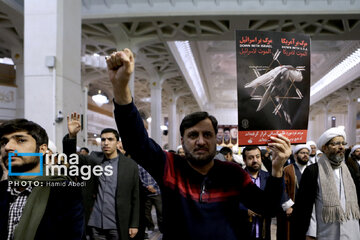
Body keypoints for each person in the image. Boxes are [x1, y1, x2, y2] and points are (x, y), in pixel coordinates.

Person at [105, 49, 292, 240]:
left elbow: (267, 208)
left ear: (215, 139)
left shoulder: (232, 174)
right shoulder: (170, 166)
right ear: (182, 141)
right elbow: (136, 142)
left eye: (207, 135)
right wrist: (121, 87)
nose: (201, 141)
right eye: (193, 135)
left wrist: (277, 170)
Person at [0, 119, 84, 240]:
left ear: (42, 149)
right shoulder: (2, 189)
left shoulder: (64, 192)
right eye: (3, 142)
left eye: (21, 140)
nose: (8, 147)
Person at [63, 114, 139, 240]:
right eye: (103, 140)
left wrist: (134, 224)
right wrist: (72, 136)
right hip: (95, 223)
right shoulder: (94, 159)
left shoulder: (130, 165)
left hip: (118, 223)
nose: (106, 143)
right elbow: (71, 158)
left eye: (110, 139)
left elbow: (135, 197)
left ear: (118, 142)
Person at [292, 126, 360, 240]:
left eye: (343, 143)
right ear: (324, 148)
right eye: (336, 144)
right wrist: (310, 233)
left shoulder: (350, 170)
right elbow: (307, 205)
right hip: (325, 231)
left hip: (351, 229)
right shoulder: (313, 171)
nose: (341, 147)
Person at [277, 144, 311, 240]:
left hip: (308, 209)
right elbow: (282, 188)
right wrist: (288, 206)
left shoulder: (312, 169)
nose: (305, 155)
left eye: (307, 153)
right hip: (292, 208)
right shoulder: (287, 169)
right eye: (302, 153)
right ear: (295, 155)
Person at [239, 146, 272, 240]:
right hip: (243, 229)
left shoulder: (268, 177)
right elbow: (230, 200)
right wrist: (245, 210)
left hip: (263, 230)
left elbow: (273, 199)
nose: (255, 160)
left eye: (257, 157)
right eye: (250, 158)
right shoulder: (237, 178)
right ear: (244, 160)